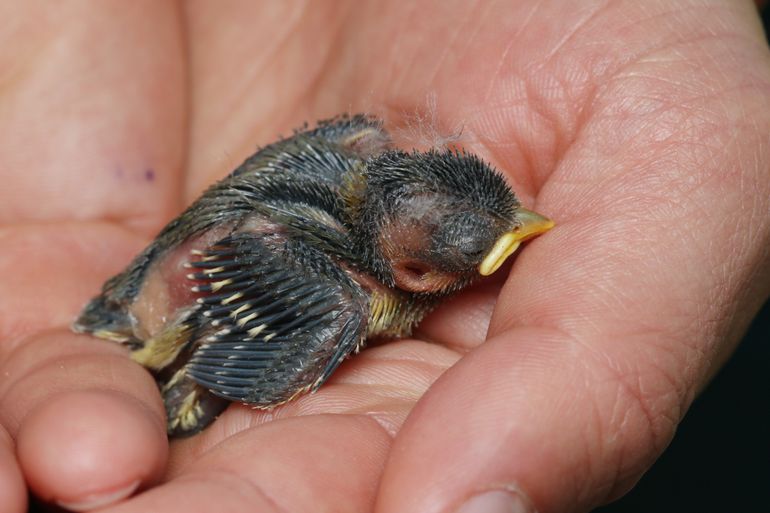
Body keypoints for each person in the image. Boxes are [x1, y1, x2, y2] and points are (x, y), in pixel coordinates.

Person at [1, 1, 769, 512]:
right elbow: (235, 278)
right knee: (307, 325)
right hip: (160, 302)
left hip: (217, 243)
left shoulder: (355, 144)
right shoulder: (338, 282)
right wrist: (191, 402)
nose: (526, 223)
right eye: (475, 255)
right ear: (413, 276)